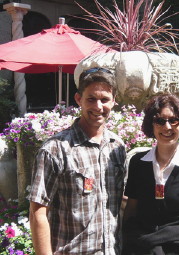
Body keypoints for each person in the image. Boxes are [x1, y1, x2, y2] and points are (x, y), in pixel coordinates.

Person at [28, 67, 126, 254]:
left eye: (105, 99)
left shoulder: (117, 147)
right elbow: (37, 213)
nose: (98, 107)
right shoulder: (55, 149)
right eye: (91, 99)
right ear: (78, 99)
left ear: (114, 101)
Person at [122, 94, 179, 255]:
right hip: (141, 248)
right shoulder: (138, 163)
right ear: (152, 125)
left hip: (177, 248)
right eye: (160, 121)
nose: (167, 127)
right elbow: (131, 210)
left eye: (174, 120)